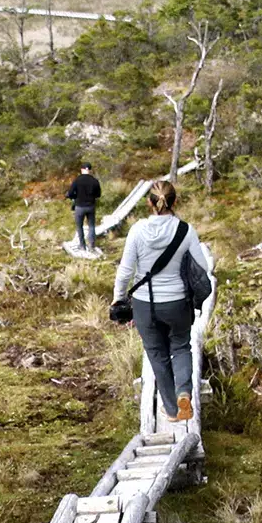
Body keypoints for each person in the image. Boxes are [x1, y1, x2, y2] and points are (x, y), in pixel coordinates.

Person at [113, 180, 204, 424]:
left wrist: (118, 300)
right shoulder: (186, 230)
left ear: (149, 203)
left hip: (144, 305)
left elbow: (125, 271)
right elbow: (202, 268)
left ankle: (172, 410)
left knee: (157, 354)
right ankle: (184, 392)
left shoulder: (137, 231)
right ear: (175, 201)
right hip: (177, 303)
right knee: (181, 347)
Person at [66, 164, 102, 252]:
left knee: (79, 226)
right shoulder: (94, 181)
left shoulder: (77, 180)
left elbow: (70, 193)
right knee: (92, 226)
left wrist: (74, 196)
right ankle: (91, 246)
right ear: (89, 170)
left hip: (79, 207)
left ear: (82, 170)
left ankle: (82, 246)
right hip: (91, 206)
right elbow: (98, 195)